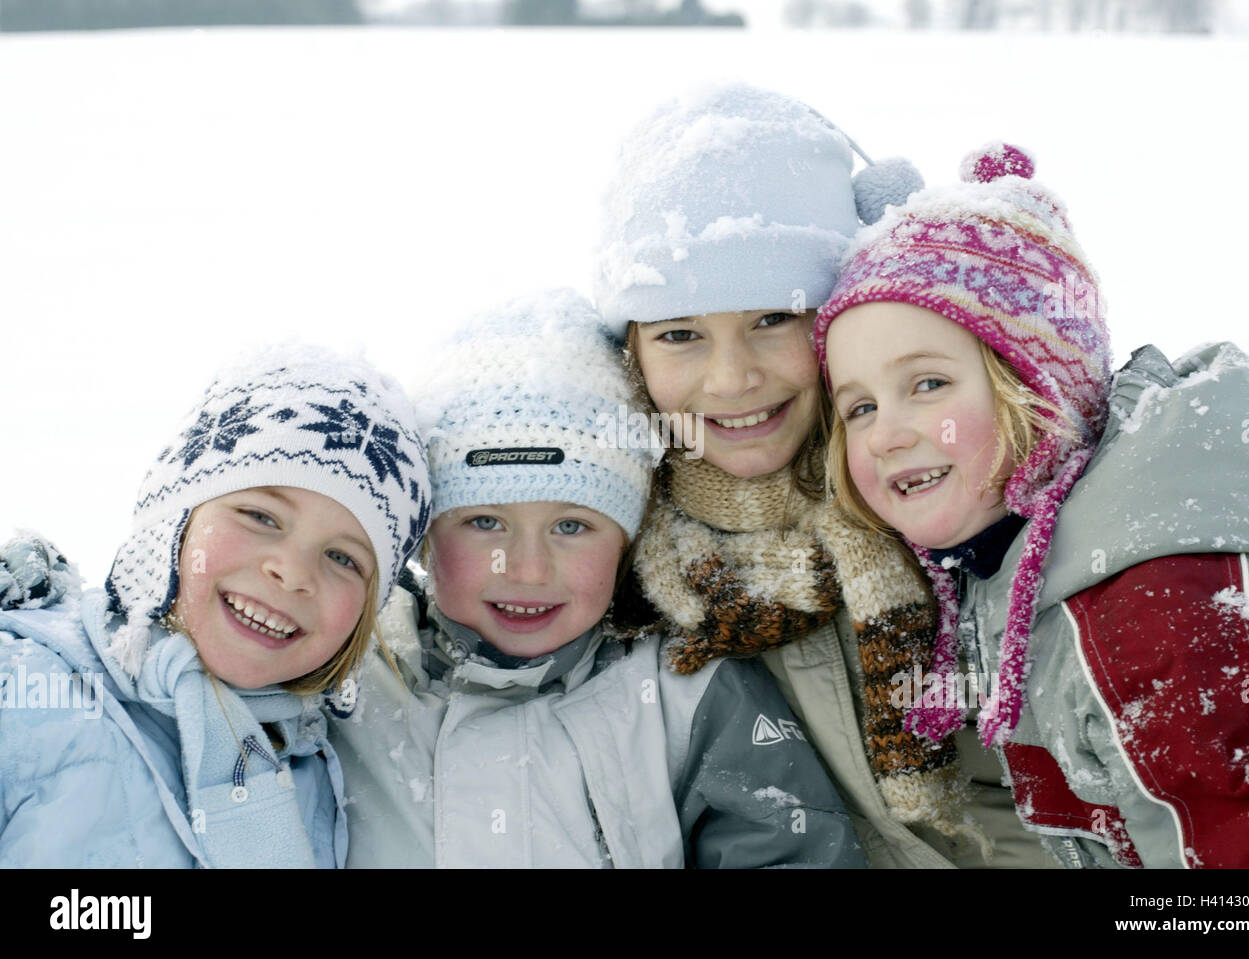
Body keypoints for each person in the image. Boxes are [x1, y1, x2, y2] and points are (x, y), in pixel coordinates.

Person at [816, 142, 1249, 868]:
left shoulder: (1156, 612)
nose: (885, 434)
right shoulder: (1014, 558)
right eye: (857, 406)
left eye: (928, 385)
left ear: (1040, 394)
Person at [594, 82, 1019, 867]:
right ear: (632, 353)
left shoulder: (966, 493)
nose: (731, 379)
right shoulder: (608, 564)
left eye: (773, 318)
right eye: (682, 333)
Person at [328, 289, 865, 867]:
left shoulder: (688, 695)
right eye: (485, 522)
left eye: (572, 525)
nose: (529, 569)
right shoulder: (350, 675)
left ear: (627, 540)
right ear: (425, 537)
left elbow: (789, 847)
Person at [0, 345, 432, 867]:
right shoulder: (25, 690)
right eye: (261, 516)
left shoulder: (316, 764)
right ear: (172, 519)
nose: (293, 573)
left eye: (343, 557)